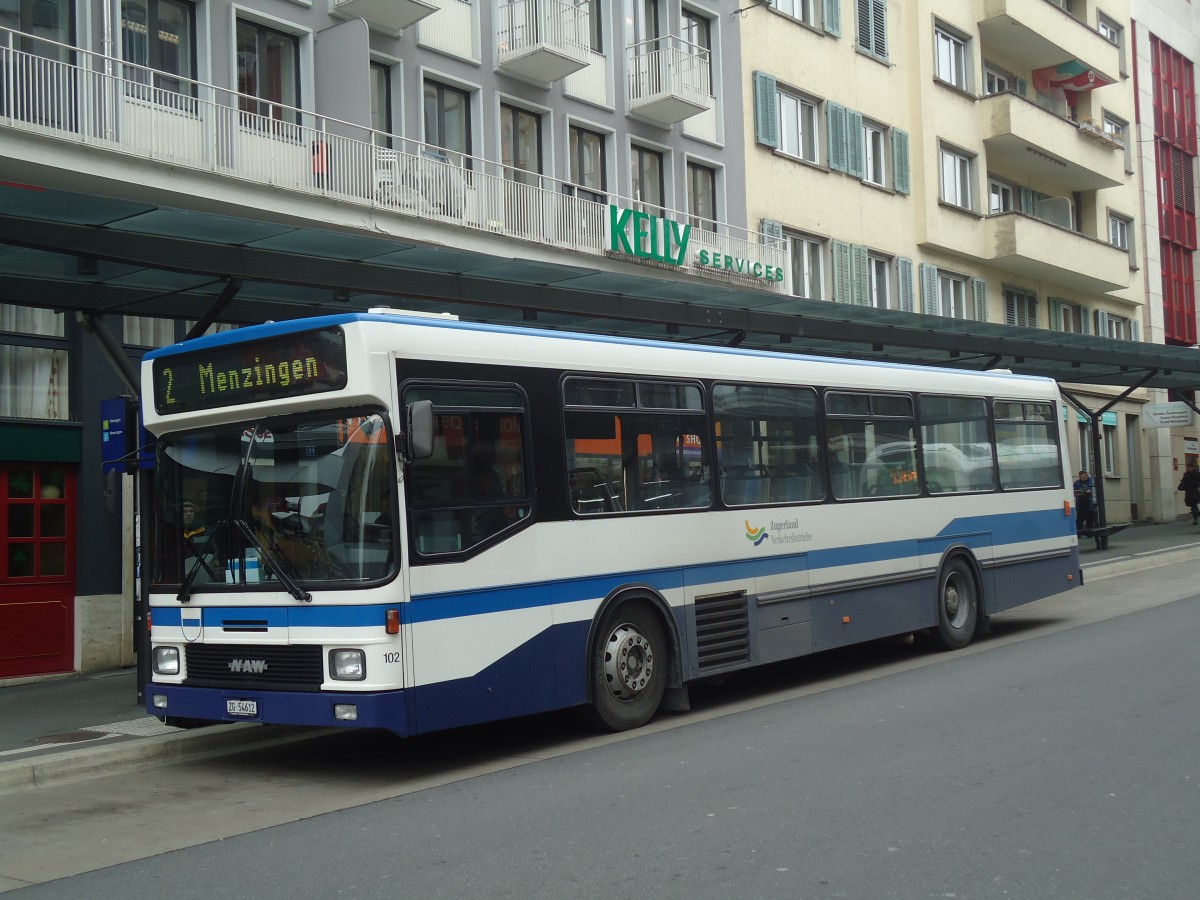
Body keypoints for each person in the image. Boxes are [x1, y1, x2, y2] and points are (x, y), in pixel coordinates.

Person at [1177, 461, 1200, 525]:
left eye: (1190, 468)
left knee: (1194, 505)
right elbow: (1183, 482)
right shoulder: (1186, 474)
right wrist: (1181, 486)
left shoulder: (1197, 474)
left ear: (1193, 468)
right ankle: (1196, 515)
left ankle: (1195, 518)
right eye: (1188, 468)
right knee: (1191, 504)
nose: (1189, 469)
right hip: (1189, 492)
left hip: (1195, 491)